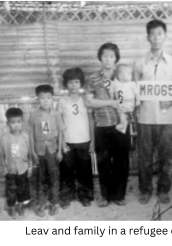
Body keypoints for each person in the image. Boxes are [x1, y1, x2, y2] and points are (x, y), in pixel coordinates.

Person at [133, 19, 172, 205]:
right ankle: (145, 190)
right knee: (144, 158)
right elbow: (133, 90)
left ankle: (164, 190)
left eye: (159, 34)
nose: (156, 38)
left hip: (166, 119)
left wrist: (171, 100)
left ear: (165, 36)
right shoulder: (139, 63)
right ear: (148, 37)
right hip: (145, 118)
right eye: (152, 34)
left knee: (167, 157)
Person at [86, 42, 130, 207]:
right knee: (103, 161)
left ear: (116, 58)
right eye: (105, 55)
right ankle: (104, 196)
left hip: (122, 125)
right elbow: (90, 102)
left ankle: (118, 195)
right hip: (102, 126)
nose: (108, 59)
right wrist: (111, 103)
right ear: (100, 57)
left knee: (121, 161)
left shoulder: (123, 77)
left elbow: (130, 99)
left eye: (111, 56)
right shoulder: (93, 79)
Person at [58, 67, 94, 208]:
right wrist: (61, 143)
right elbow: (59, 123)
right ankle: (67, 196)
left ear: (81, 84)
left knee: (84, 170)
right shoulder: (62, 101)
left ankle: (85, 196)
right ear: (66, 84)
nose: (73, 85)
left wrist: (93, 141)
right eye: (70, 82)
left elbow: (91, 120)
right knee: (66, 170)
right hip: (68, 142)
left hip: (84, 141)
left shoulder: (86, 100)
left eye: (77, 82)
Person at [29, 84, 64, 217]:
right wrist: (32, 152)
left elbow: (60, 133)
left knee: (54, 177)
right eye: (42, 98)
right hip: (39, 151)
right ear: (37, 99)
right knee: (40, 178)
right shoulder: (33, 115)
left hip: (53, 150)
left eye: (48, 98)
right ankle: (41, 203)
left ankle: (54, 203)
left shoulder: (56, 114)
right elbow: (31, 134)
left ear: (52, 99)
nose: (45, 100)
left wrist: (60, 151)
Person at [0, 108, 32, 219]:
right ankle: (12, 207)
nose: (16, 125)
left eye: (19, 122)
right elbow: (2, 154)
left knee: (22, 189)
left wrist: (30, 166)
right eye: (13, 122)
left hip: (23, 168)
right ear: (8, 123)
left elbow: (30, 153)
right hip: (10, 169)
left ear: (22, 122)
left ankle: (20, 206)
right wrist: (4, 166)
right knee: (11, 190)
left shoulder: (26, 137)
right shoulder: (4, 138)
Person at [110, 64, 139, 134]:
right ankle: (123, 127)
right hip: (120, 106)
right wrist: (111, 100)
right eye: (128, 73)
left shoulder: (132, 84)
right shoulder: (115, 83)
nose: (131, 76)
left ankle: (133, 130)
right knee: (122, 116)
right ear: (120, 76)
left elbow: (137, 93)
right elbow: (111, 92)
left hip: (130, 104)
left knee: (132, 117)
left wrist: (138, 101)